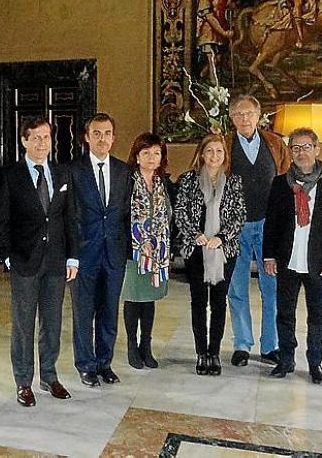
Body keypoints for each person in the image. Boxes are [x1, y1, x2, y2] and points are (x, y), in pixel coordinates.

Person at [0, 117, 80, 407]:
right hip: (24, 260)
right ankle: (23, 381)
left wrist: (73, 256)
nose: (42, 143)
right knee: (23, 324)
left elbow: (70, 218)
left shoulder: (63, 173)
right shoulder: (10, 175)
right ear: (24, 141)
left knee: (52, 323)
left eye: (46, 137)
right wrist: (7, 257)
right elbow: (1, 221)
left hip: (56, 261)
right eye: (36, 138)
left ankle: (49, 376)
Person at [262, 127, 322, 384]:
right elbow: (272, 224)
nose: (301, 152)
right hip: (287, 260)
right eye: (296, 148)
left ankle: (315, 362)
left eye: (306, 147)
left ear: (317, 149)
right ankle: (286, 359)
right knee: (285, 313)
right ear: (290, 152)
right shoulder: (280, 184)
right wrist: (269, 256)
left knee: (318, 315)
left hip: (319, 263)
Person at [225, 94, 291, 367]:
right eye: (238, 114)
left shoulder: (275, 144)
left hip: (268, 225)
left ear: (258, 116)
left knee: (271, 287)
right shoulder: (223, 145)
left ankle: (270, 345)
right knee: (237, 286)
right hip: (235, 227)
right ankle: (242, 344)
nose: (244, 119)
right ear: (232, 118)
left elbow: (288, 180)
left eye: (249, 113)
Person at [69, 113, 132, 387]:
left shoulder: (123, 171)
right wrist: (70, 254)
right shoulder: (73, 170)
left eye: (107, 133)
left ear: (113, 138)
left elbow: (126, 213)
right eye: (96, 133)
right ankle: (86, 365)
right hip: (84, 254)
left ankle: (104, 363)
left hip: (114, 254)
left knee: (109, 312)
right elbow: (68, 216)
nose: (102, 139)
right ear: (87, 137)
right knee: (83, 313)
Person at [175, 133, 246, 376]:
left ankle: (214, 352)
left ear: (225, 155)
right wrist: (194, 234)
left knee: (218, 302)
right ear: (201, 154)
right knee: (198, 302)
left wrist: (222, 238)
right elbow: (180, 211)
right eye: (209, 151)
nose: (214, 156)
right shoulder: (188, 179)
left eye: (219, 151)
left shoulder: (234, 181)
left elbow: (239, 215)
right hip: (196, 250)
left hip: (224, 251)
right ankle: (200, 353)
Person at [121, 133, 174, 370]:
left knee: (149, 299)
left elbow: (171, 215)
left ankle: (146, 345)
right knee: (134, 298)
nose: (152, 158)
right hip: (133, 251)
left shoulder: (165, 184)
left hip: (158, 253)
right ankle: (132, 345)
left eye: (156, 153)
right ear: (137, 156)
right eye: (146, 153)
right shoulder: (127, 182)